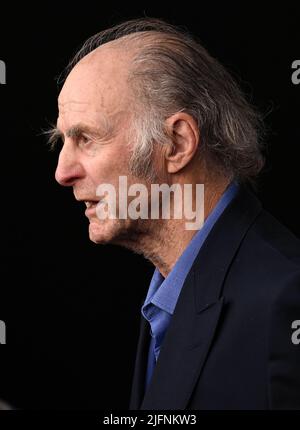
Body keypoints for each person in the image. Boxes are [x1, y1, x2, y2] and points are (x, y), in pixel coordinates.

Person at [50, 18, 300, 409]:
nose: (62, 172)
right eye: (62, 141)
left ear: (177, 143)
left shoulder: (284, 301)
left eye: (86, 138)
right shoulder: (168, 294)